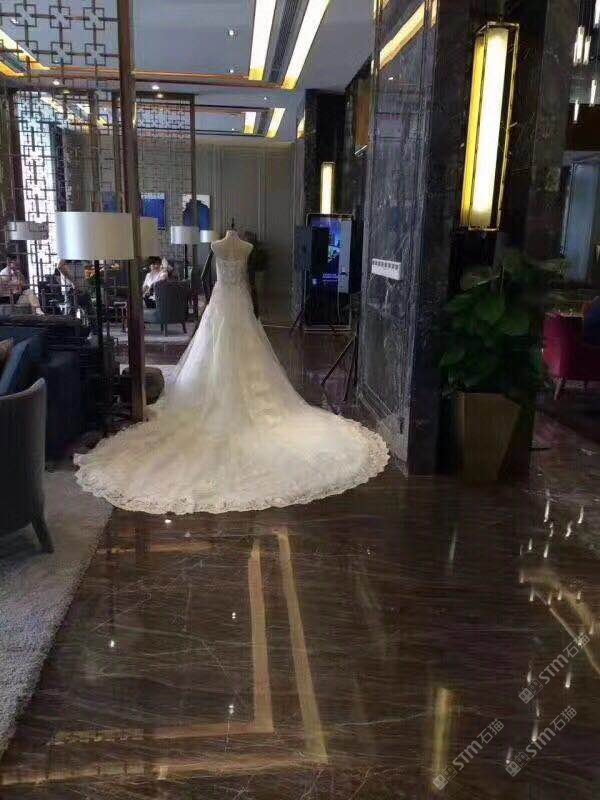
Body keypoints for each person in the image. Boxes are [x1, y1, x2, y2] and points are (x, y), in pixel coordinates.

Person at [74, 228, 388, 515]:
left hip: (230, 303)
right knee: (220, 350)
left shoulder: (227, 247)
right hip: (229, 303)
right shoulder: (228, 246)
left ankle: (232, 399)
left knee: (233, 350)